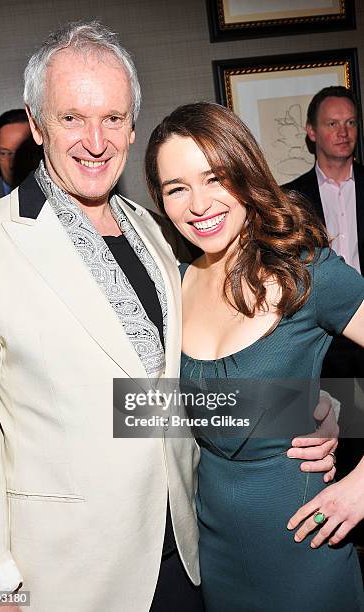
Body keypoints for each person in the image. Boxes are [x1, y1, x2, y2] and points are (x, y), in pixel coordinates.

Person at [0, 20, 337, 612]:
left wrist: (311, 408)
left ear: (132, 126)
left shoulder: (155, 231)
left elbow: (152, 400)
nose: (95, 139)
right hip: (68, 578)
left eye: (112, 118)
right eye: (71, 118)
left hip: (188, 555)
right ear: (36, 126)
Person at [145, 101, 364, 611]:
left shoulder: (308, 274)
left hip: (305, 547)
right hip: (212, 560)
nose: (198, 205)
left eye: (214, 178)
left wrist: (362, 483)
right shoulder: (172, 284)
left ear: (246, 173)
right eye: (177, 188)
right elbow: (174, 411)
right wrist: (307, 407)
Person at [283, 86, 364, 454]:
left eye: (350, 122)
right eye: (332, 123)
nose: (343, 132)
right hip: (322, 339)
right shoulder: (290, 200)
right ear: (312, 131)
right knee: (338, 439)